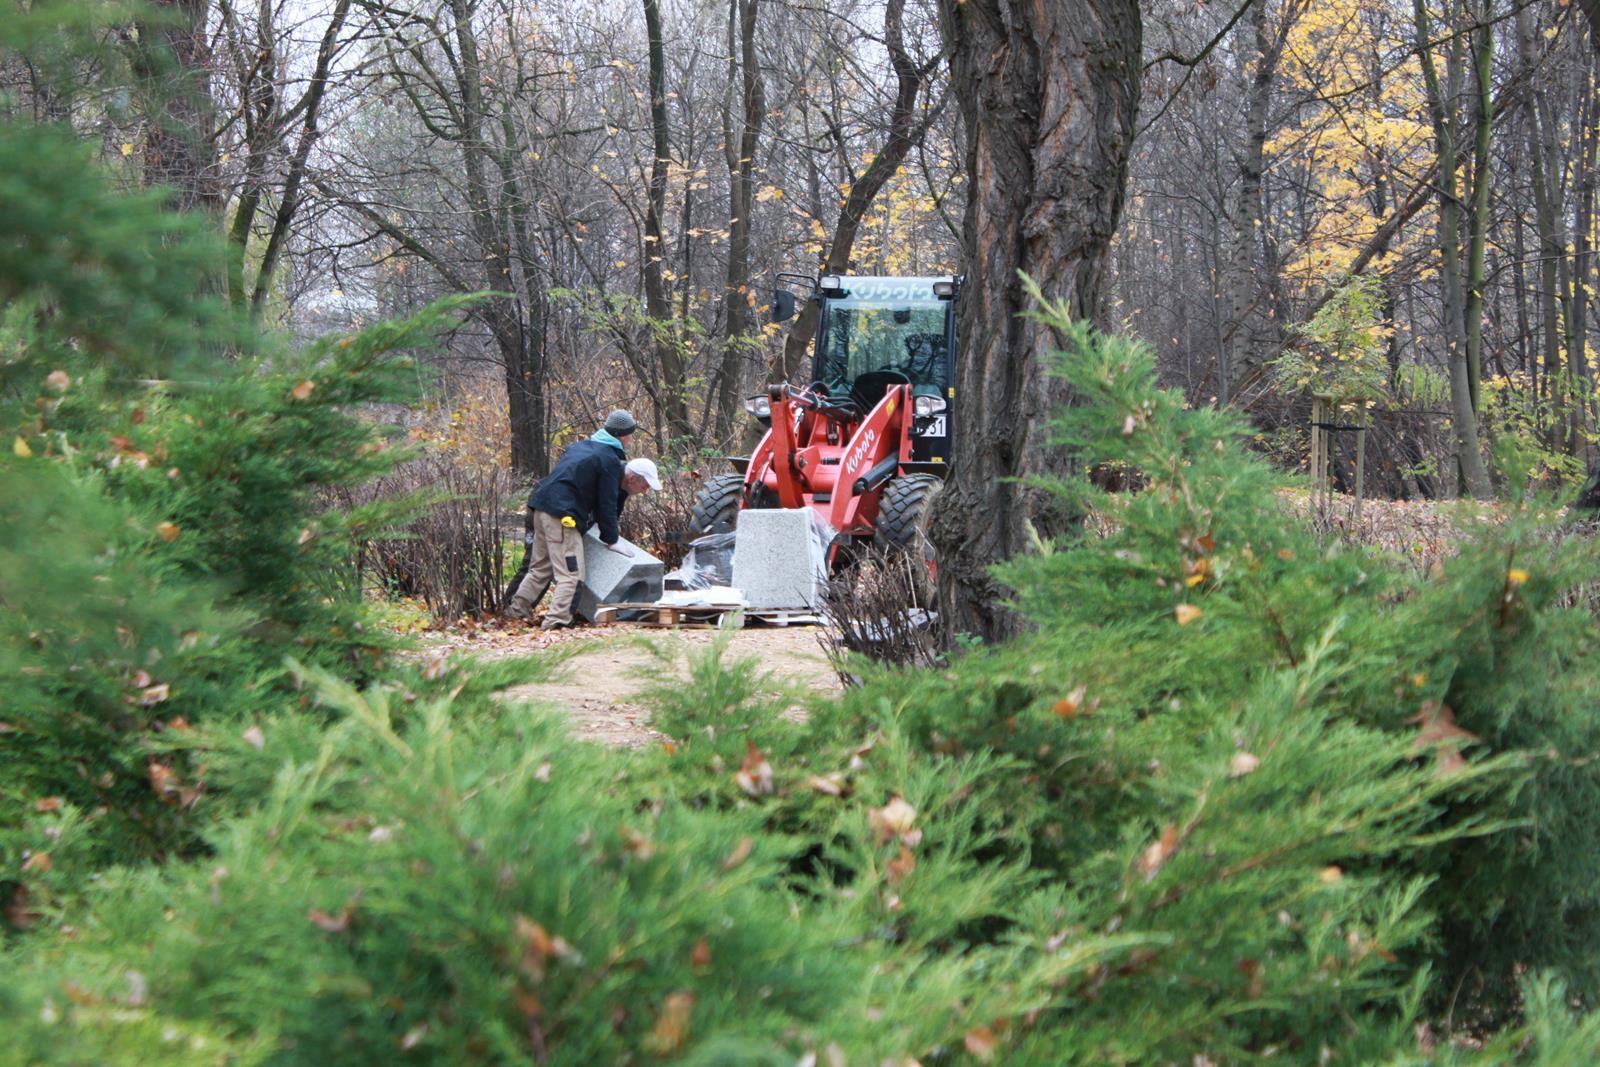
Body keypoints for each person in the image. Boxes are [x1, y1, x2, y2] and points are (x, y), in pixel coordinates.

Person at [505, 411, 662, 629]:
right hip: (563, 517)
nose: (644, 492)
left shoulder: (582, 447)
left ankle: (515, 614)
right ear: (633, 477)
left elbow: (606, 499)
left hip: (540, 509)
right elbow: (606, 504)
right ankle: (557, 622)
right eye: (645, 486)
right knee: (571, 574)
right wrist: (611, 539)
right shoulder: (609, 460)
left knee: (540, 568)